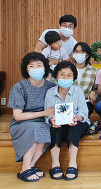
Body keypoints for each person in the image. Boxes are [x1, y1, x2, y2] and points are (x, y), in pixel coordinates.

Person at [7, 52, 56, 182]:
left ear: (45, 67)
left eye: (39, 65)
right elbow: (17, 116)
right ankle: (25, 168)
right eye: (31, 66)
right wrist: (43, 113)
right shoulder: (19, 87)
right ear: (27, 70)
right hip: (21, 124)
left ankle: (31, 166)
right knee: (34, 128)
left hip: (44, 122)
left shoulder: (51, 87)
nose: (35, 69)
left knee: (44, 129)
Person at [45, 61, 90, 181]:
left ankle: (72, 164)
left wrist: (76, 118)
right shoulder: (50, 93)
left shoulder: (78, 91)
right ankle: (55, 165)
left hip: (77, 123)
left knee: (74, 127)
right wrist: (51, 119)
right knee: (54, 127)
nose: (65, 78)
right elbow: (48, 114)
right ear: (56, 76)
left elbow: (84, 114)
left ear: (74, 77)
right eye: (62, 75)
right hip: (59, 125)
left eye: (69, 75)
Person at [72, 42, 98, 116]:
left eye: (82, 52)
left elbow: (96, 89)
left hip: (85, 103)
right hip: (68, 102)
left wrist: (94, 92)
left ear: (87, 55)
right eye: (76, 51)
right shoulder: (68, 68)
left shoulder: (94, 71)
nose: (78, 54)